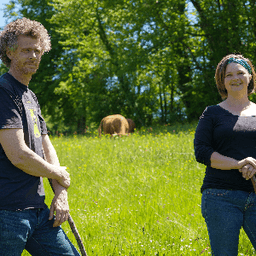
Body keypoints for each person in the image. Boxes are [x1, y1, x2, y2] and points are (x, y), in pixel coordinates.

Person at [0, 17, 80, 256]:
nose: (34, 56)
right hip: (6, 213)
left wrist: (60, 193)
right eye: (26, 50)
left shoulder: (30, 96)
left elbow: (46, 147)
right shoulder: (3, 92)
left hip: (38, 212)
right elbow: (18, 155)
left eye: (38, 50)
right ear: (10, 52)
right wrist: (59, 174)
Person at [194, 53, 256, 255]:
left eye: (240, 73)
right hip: (221, 197)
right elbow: (202, 152)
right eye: (229, 75)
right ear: (222, 81)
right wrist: (239, 163)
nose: (235, 78)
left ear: (250, 77)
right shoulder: (211, 113)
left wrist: (254, 163)